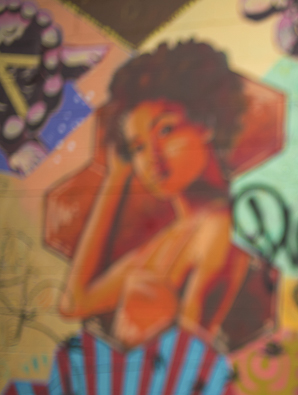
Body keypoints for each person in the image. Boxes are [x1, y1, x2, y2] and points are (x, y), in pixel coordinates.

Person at [60, 41, 252, 350]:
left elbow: (190, 358)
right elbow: (74, 301)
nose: (152, 159)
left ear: (206, 123)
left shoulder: (218, 227)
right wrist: (116, 178)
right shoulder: (176, 234)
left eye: (165, 131)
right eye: (137, 147)